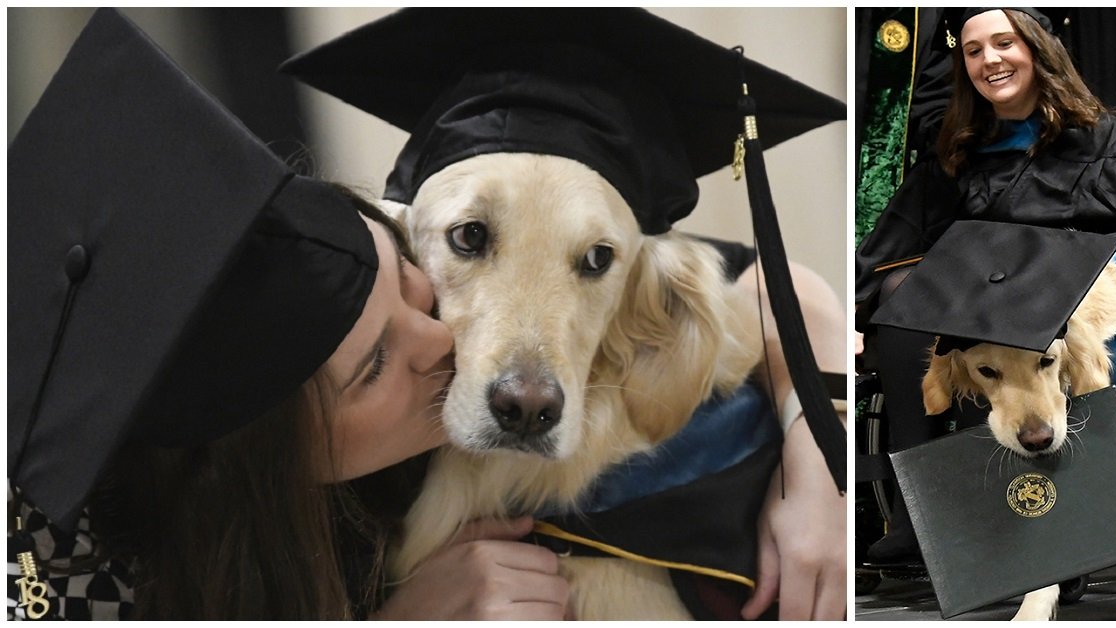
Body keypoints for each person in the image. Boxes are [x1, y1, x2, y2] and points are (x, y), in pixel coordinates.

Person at [282, 8, 849, 620]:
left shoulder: (697, 461)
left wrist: (828, 456)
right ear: (404, 255)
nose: (530, 386)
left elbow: (768, 289)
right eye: (471, 239)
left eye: (595, 259)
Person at [7, 10, 567, 620]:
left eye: (409, 285)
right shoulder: (60, 581)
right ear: (263, 464)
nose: (439, 339)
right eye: (376, 365)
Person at [853, 8, 1116, 562]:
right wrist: (854, 313)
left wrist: (1079, 255)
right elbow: (892, 241)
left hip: (1090, 304)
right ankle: (925, 512)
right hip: (990, 317)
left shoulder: (1113, 142)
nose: (990, 59)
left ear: (1037, 49)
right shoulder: (958, 156)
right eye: (973, 51)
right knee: (897, 295)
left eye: (1004, 43)